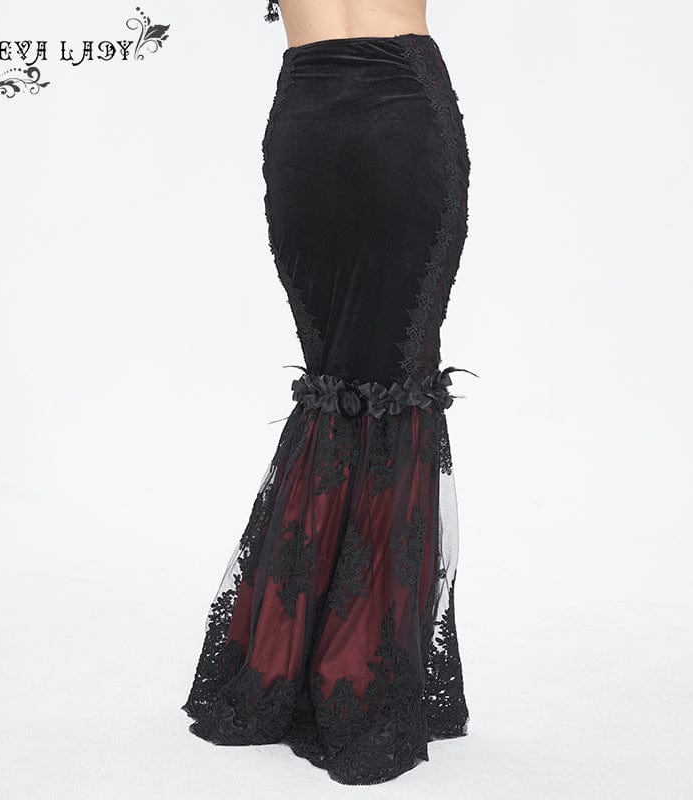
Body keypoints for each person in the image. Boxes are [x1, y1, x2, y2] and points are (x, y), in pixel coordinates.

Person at [182, 0, 475, 785]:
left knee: (340, 385)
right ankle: (357, 676)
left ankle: (292, 663)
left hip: (307, 123)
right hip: (399, 114)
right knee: (389, 382)